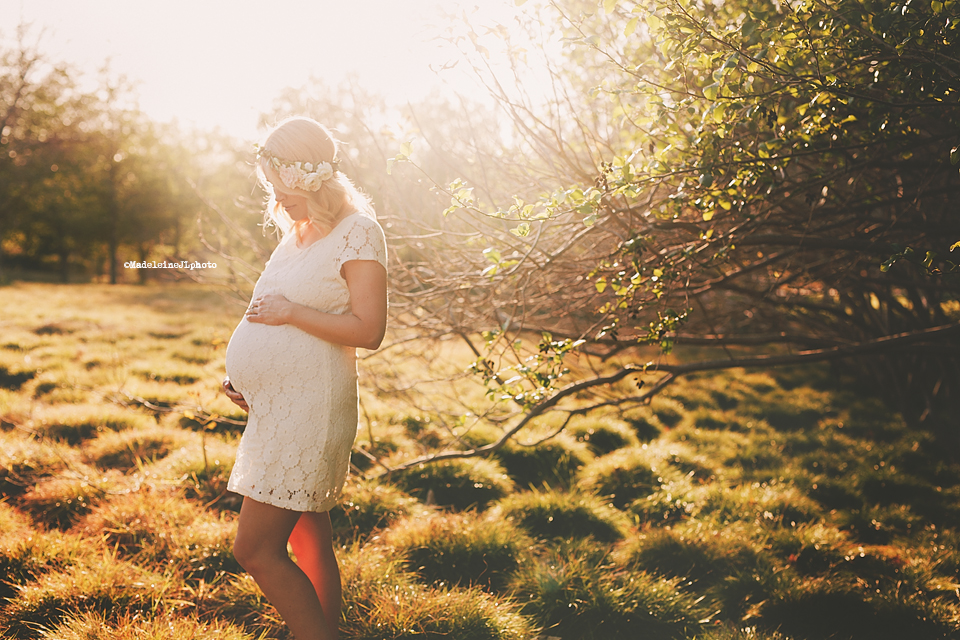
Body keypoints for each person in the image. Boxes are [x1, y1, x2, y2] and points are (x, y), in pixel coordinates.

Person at [221, 116, 387, 640]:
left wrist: (291, 313)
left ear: (306, 176)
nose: (275, 198)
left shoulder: (359, 232)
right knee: (309, 534)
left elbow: (369, 329)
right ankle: (320, 629)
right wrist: (251, 384)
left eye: (280, 185)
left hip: (310, 412)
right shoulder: (296, 233)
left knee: (254, 549)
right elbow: (268, 313)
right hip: (279, 408)